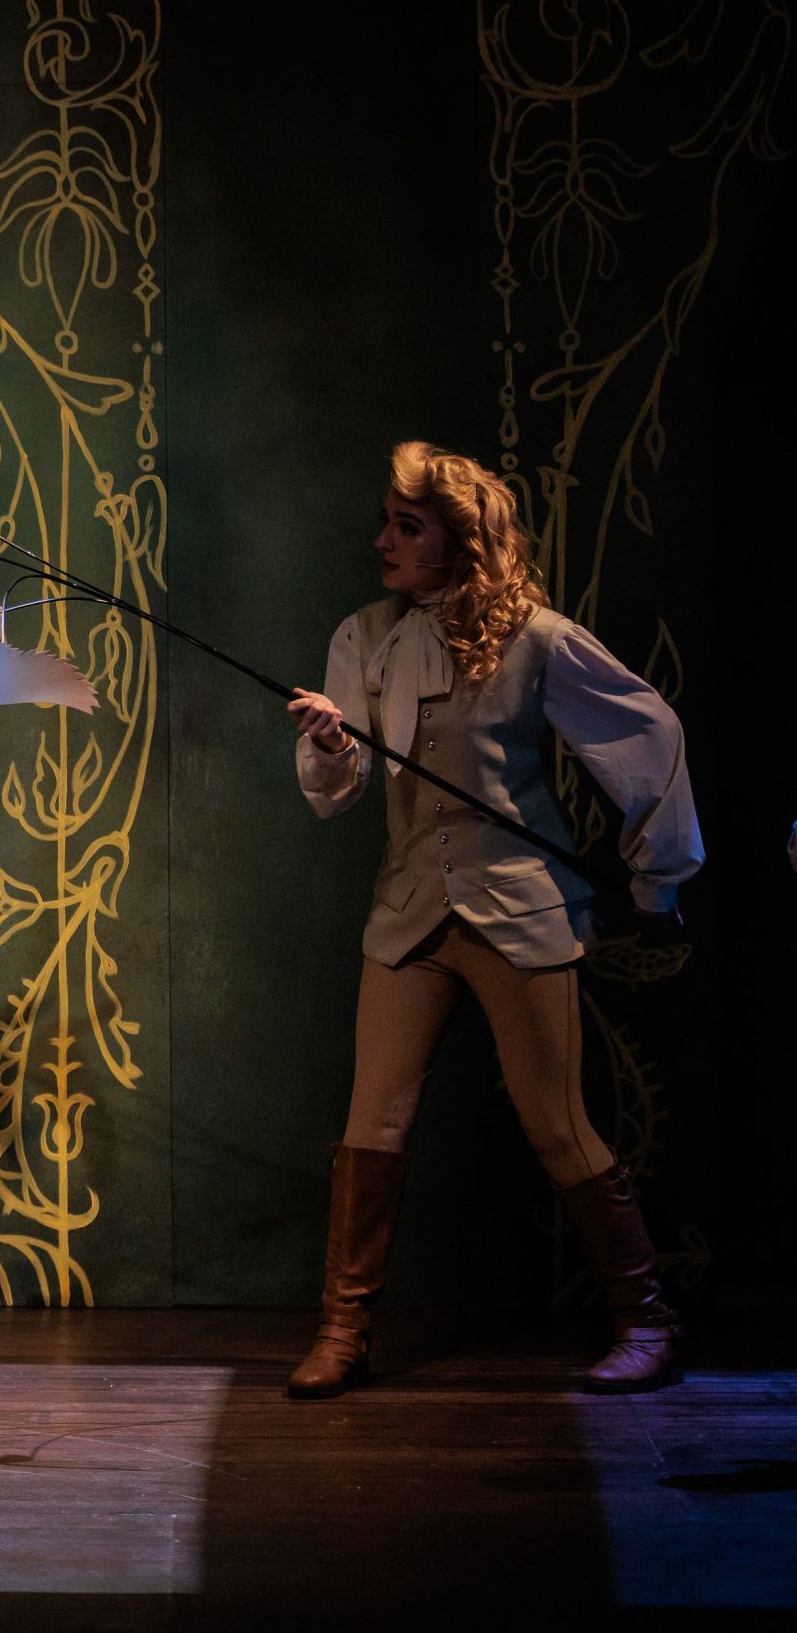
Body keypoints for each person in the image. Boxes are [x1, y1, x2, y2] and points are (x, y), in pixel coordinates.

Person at [284, 441, 703, 1397]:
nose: (383, 541)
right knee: (371, 1124)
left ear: (459, 540)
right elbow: (341, 788)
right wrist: (332, 743)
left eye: (408, 526)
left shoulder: (537, 640)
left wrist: (657, 880)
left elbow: (648, 732)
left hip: (519, 909)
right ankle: (343, 1332)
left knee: (556, 1123)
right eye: (387, 522)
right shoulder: (365, 636)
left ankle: (648, 1320)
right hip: (409, 914)